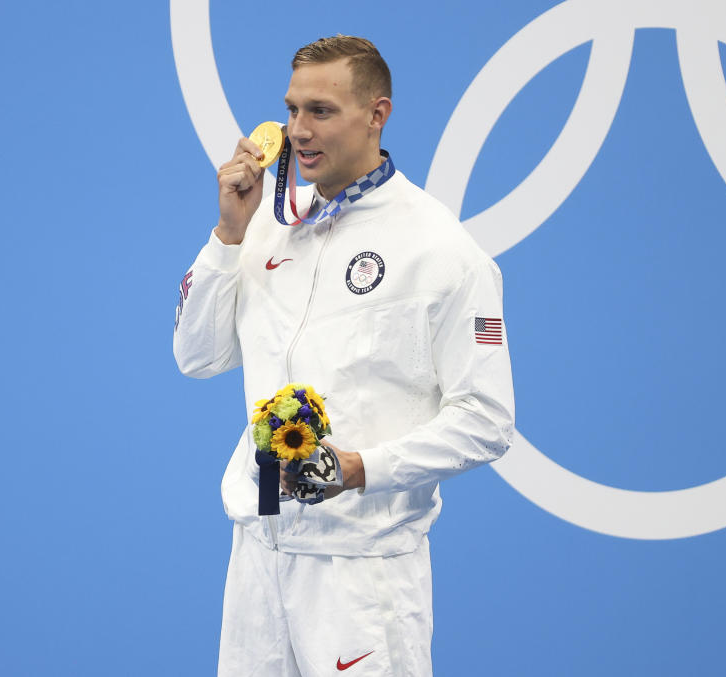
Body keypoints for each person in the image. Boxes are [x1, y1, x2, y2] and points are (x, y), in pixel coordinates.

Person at [173, 35, 514, 677]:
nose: (298, 131)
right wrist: (227, 235)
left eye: (321, 111)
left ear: (376, 115)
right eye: (291, 109)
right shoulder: (268, 222)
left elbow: (487, 420)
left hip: (360, 573)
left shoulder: (441, 250)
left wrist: (360, 468)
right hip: (259, 552)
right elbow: (196, 356)